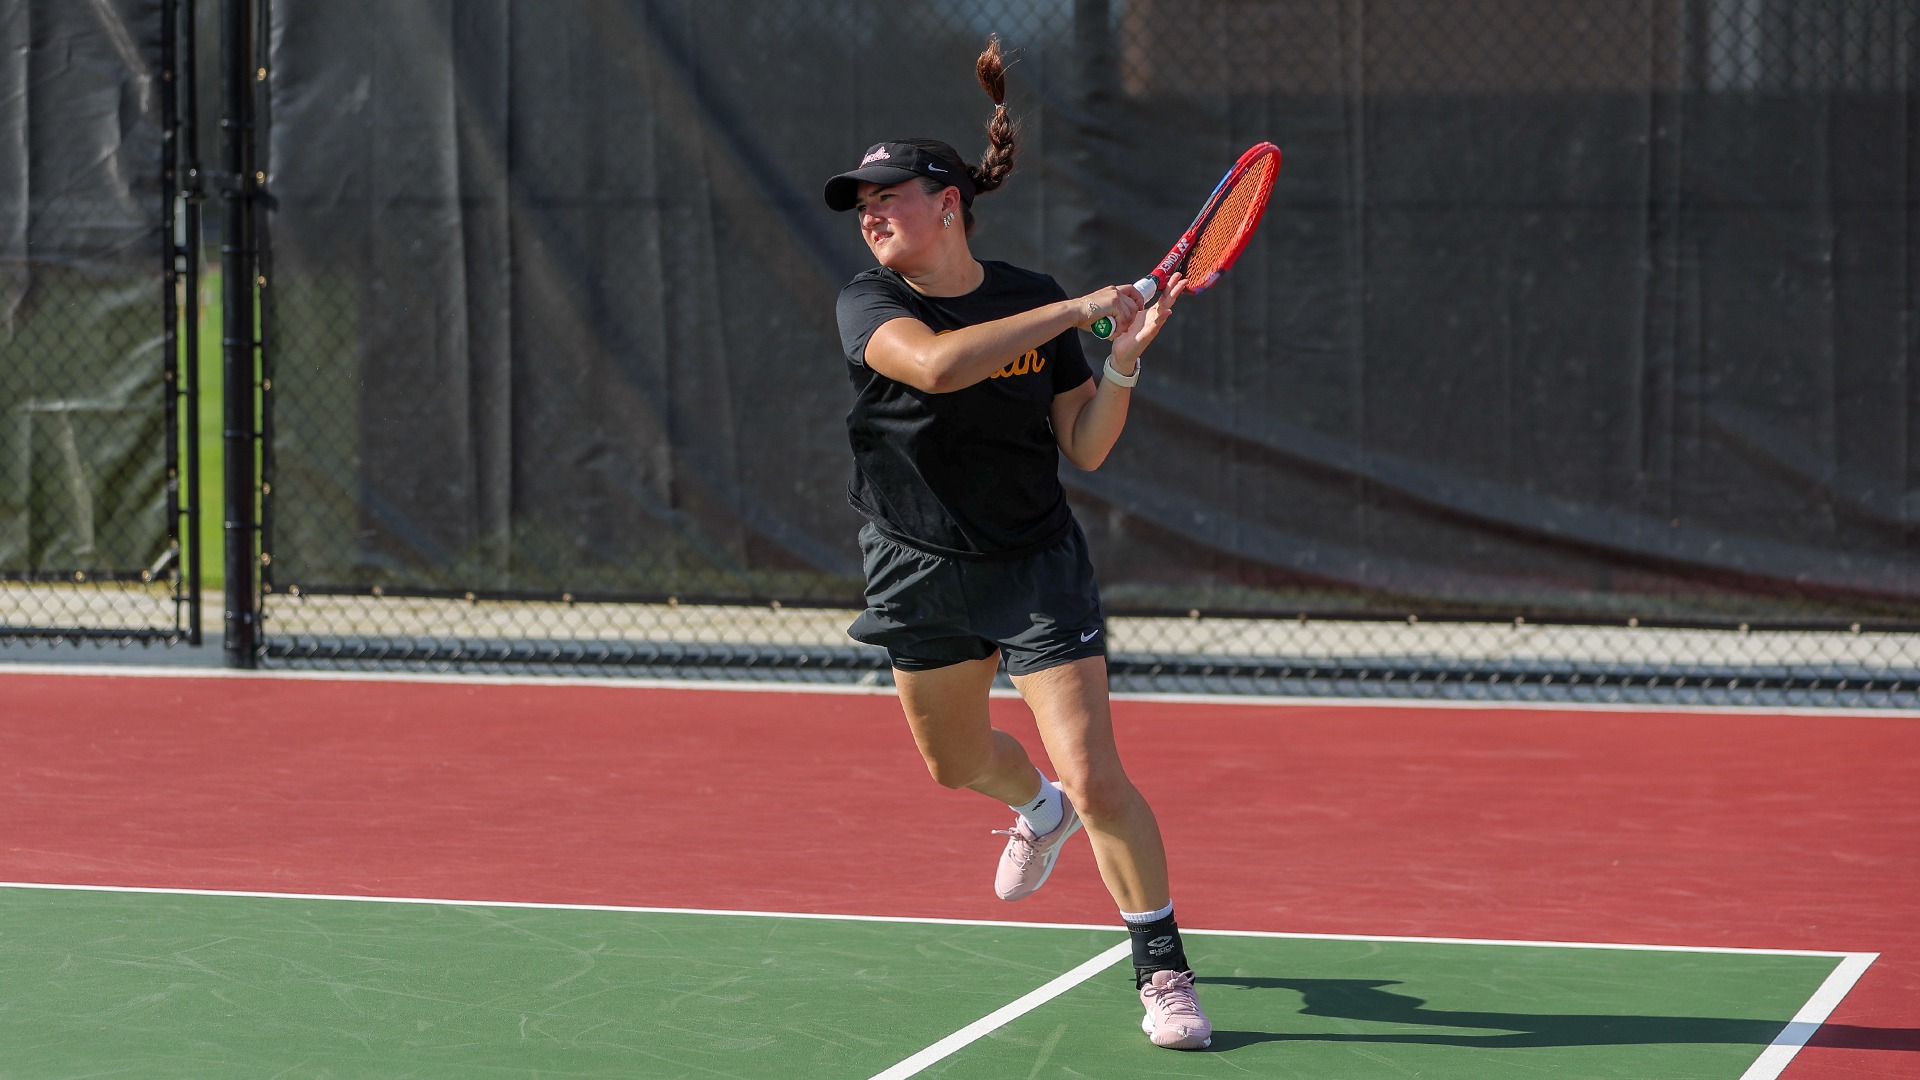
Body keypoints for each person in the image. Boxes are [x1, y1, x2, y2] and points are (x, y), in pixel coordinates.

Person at [822, 37, 1210, 1051]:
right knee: (955, 764)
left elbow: (1083, 444)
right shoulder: (872, 304)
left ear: (949, 201)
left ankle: (1162, 971)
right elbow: (940, 368)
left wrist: (1118, 362)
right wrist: (1079, 308)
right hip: (916, 563)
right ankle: (1034, 808)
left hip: (1036, 564)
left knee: (1098, 776)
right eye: (860, 204)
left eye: (888, 197)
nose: (870, 215)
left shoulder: (1027, 291)